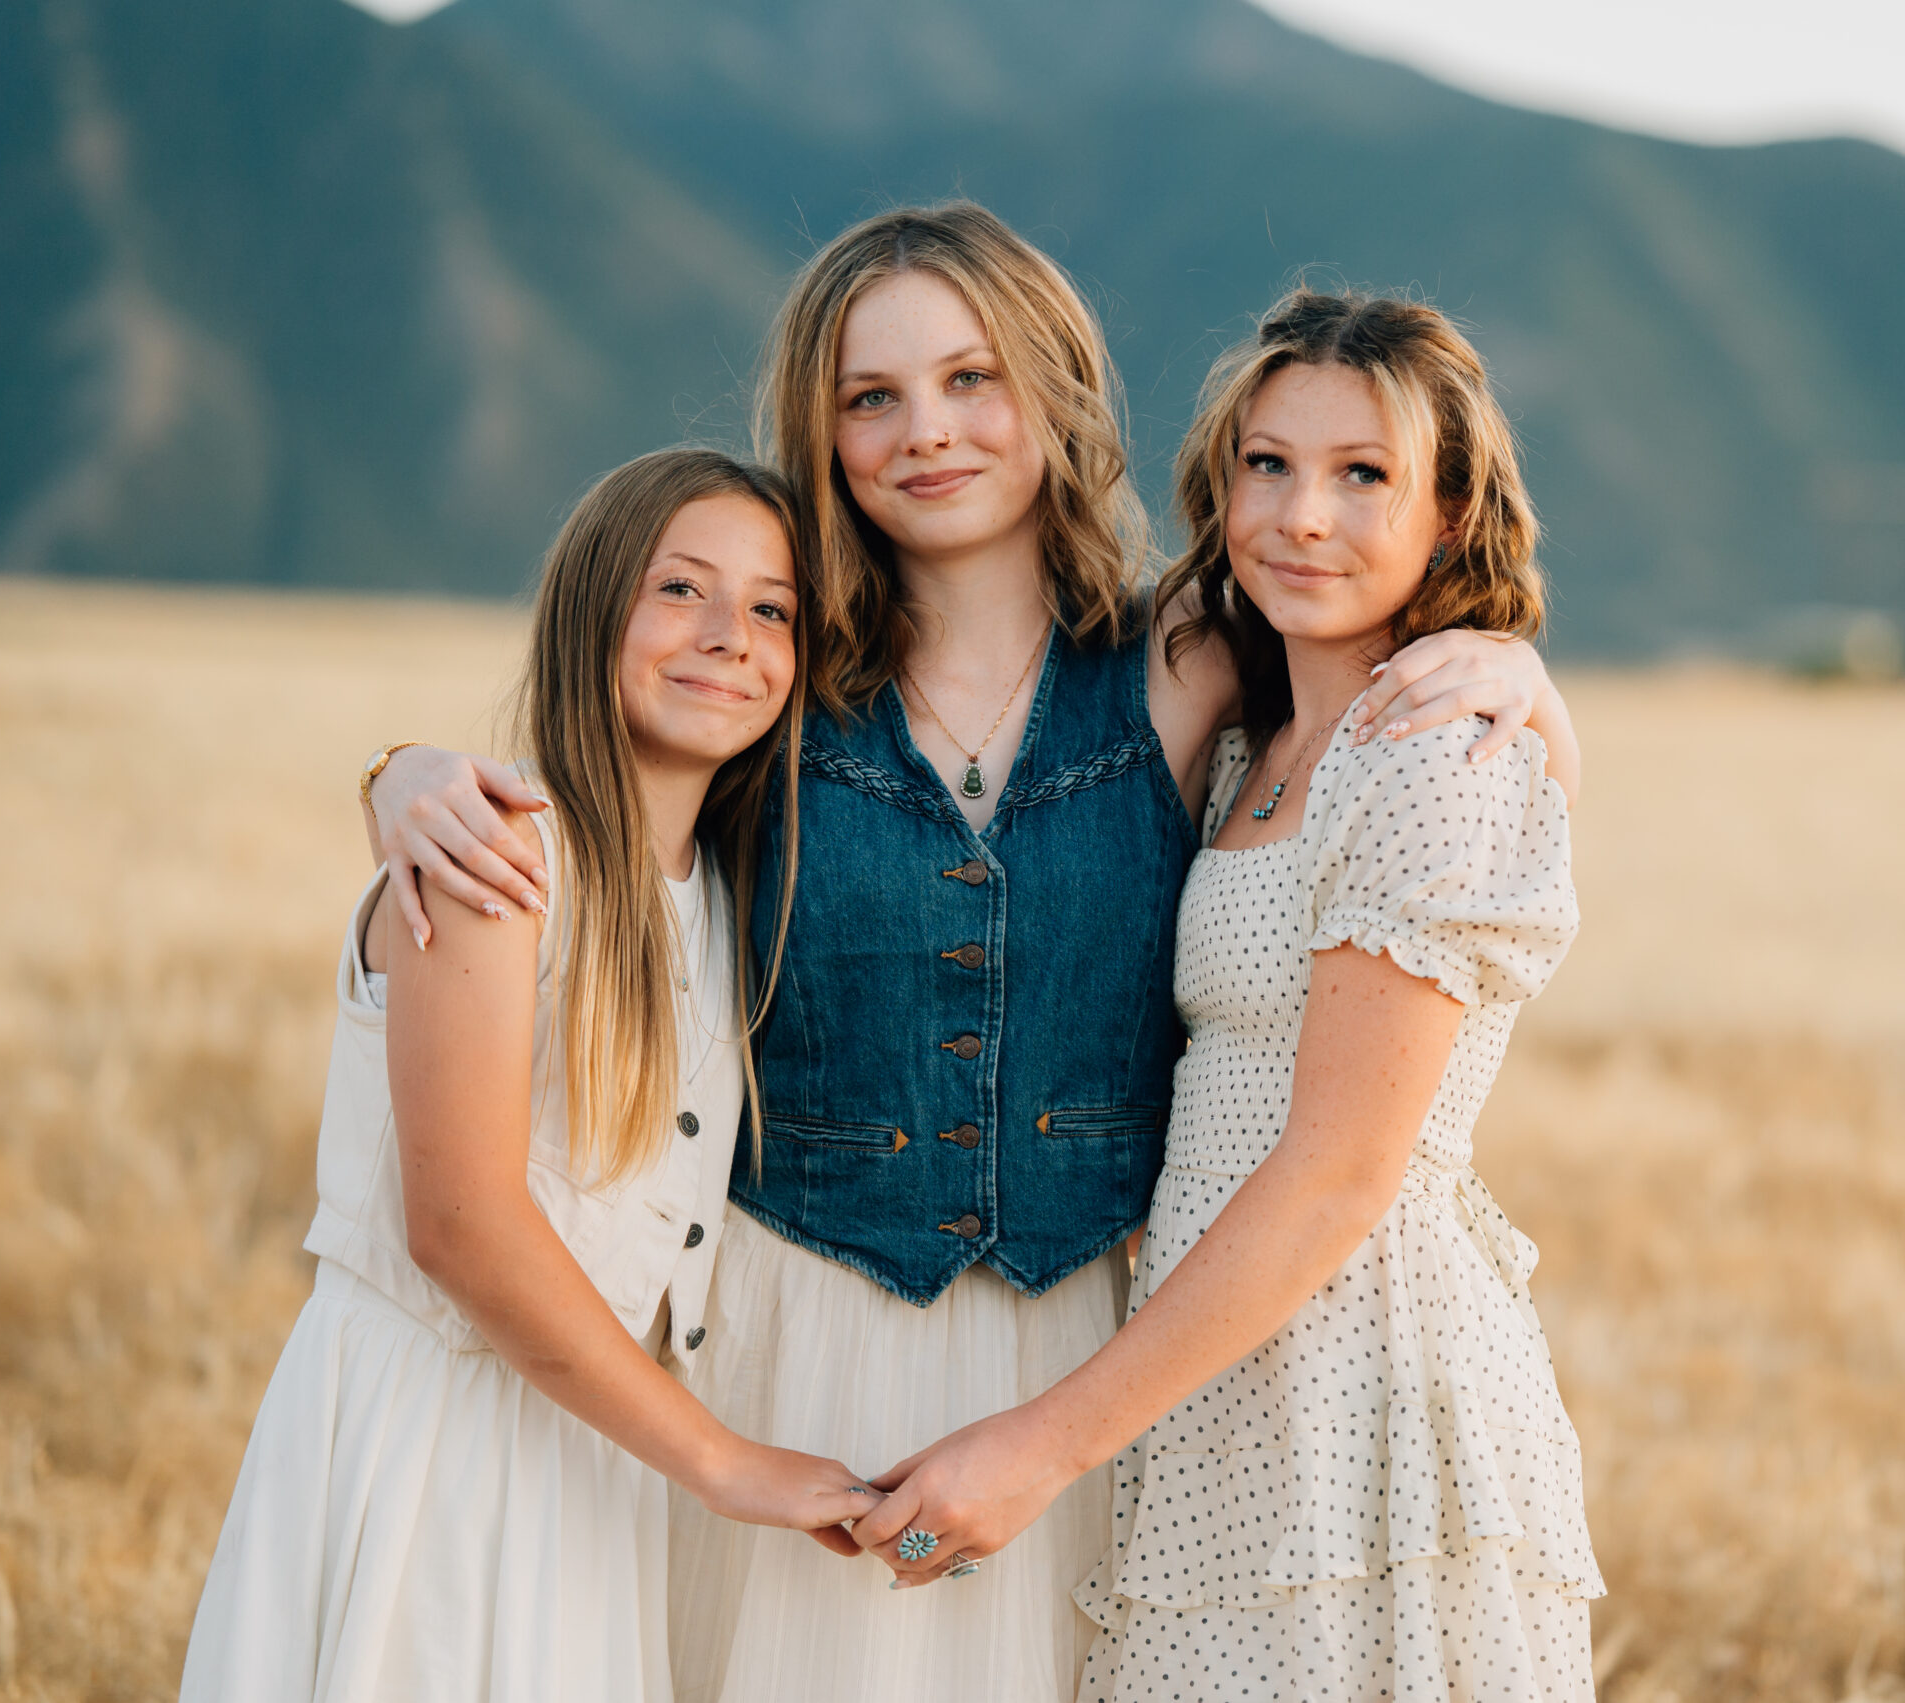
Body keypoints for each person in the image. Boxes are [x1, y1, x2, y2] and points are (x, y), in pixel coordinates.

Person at [364, 203, 1581, 1702]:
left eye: (971, 378)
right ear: (822, 431)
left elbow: (1376, 639)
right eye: (869, 396)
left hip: (1090, 1351)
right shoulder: (773, 667)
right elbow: (587, 789)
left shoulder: (1184, 653)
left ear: (1055, 391)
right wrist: (403, 771)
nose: (924, 431)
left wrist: (1527, 677)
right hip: (794, 1335)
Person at [853, 290, 1602, 1700]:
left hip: (1363, 1385)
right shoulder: (1251, 741)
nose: (1301, 515)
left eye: (1363, 473)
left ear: (1448, 516)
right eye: (1268, 463)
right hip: (1215, 1372)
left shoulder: (1437, 758)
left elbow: (1333, 1175)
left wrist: (1041, 1441)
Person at [182, 450, 880, 1702]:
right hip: (437, 1440)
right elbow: (461, 1226)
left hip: (592, 1451)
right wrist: (724, 1462)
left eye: (773, 608)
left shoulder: (724, 895)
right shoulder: (500, 853)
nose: (731, 636)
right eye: (682, 589)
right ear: (592, 607)